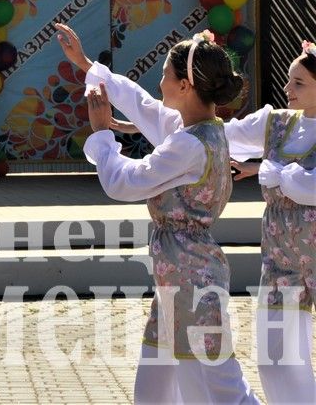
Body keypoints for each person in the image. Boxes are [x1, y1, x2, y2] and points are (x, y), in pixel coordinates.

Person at [55, 22, 259, 403]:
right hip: (181, 273)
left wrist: (101, 135)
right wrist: (86, 65)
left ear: (185, 86)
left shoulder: (188, 144)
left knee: (220, 388)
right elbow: (143, 106)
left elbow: (124, 182)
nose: (159, 80)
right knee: (154, 388)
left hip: (192, 278)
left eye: (165, 73)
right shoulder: (201, 130)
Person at [223, 40, 316, 403]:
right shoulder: (275, 124)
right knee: (276, 358)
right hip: (282, 260)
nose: (287, 89)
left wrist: (274, 173)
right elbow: (212, 134)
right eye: (289, 81)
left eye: (299, 83)